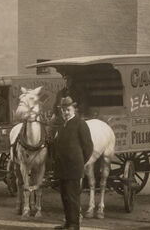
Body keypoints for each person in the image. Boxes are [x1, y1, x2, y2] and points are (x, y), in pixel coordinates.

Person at [54, 96, 93, 230]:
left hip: (74, 168)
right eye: (63, 110)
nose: (65, 112)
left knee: (73, 198)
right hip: (62, 168)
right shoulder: (62, 125)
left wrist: (80, 161)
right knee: (64, 197)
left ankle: (74, 225)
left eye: (68, 110)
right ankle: (67, 222)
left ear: (74, 109)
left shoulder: (80, 124)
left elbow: (88, 147)